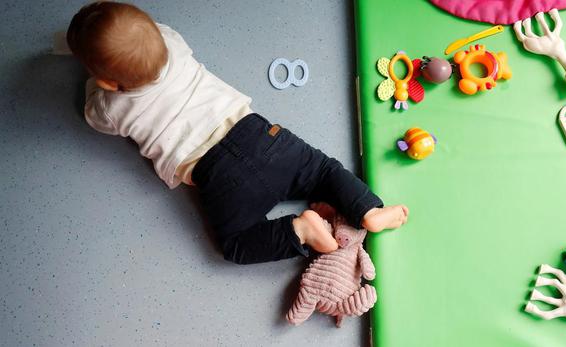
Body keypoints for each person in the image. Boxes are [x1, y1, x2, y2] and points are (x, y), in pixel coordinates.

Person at [67, 1, 408, 264]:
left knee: (236, 244)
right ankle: (369, 210)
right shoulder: (171, 44)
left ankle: (301, 230)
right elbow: (152, 31)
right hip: (259, 136)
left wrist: (100, 88)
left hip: (216, 175)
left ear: (108, 83)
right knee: (323, 171)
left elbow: (92, 115)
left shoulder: (111, 107)